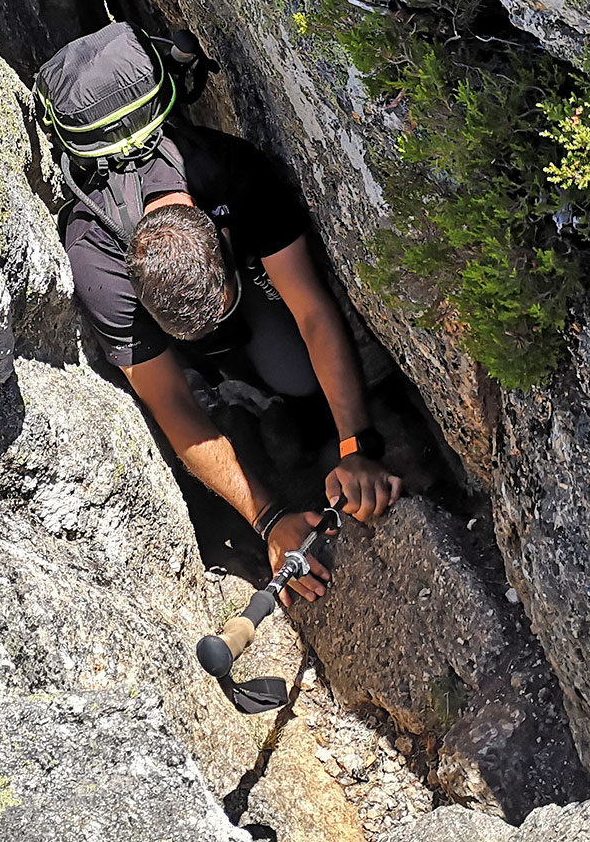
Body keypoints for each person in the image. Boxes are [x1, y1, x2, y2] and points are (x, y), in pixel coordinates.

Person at [64, 123, 403, 602]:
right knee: (215, 385)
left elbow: (311, 309)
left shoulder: (231, 173)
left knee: (296, 375)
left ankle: (279, 390)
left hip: (249, 282)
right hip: (184, 337)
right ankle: (228, 385)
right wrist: (268, 520)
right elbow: (169, 399)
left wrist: (356, 444)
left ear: (223, 239)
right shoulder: (96, 262)